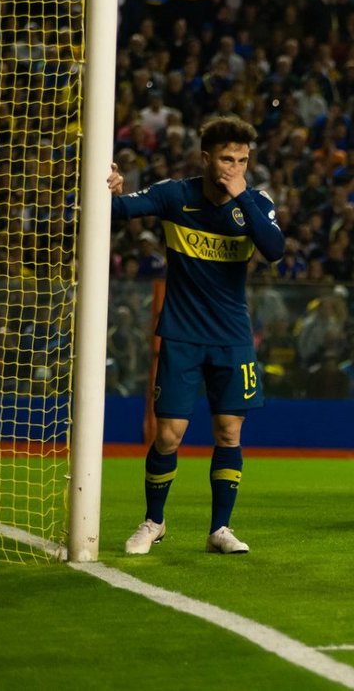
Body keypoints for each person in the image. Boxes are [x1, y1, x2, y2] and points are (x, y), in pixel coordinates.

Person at [110, 116, 284, 556]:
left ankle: (220, 529)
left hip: (232, 337)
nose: (234, 167)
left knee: (229, 432)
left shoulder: (256, 202)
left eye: (243, 159)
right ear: (206, 157)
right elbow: (120, 210)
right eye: (227, 158)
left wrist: (241, 193)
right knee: (169, 435)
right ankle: (154, 521)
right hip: (183, 335)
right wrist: (109, 186)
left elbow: (275, 250)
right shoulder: (175, 195)